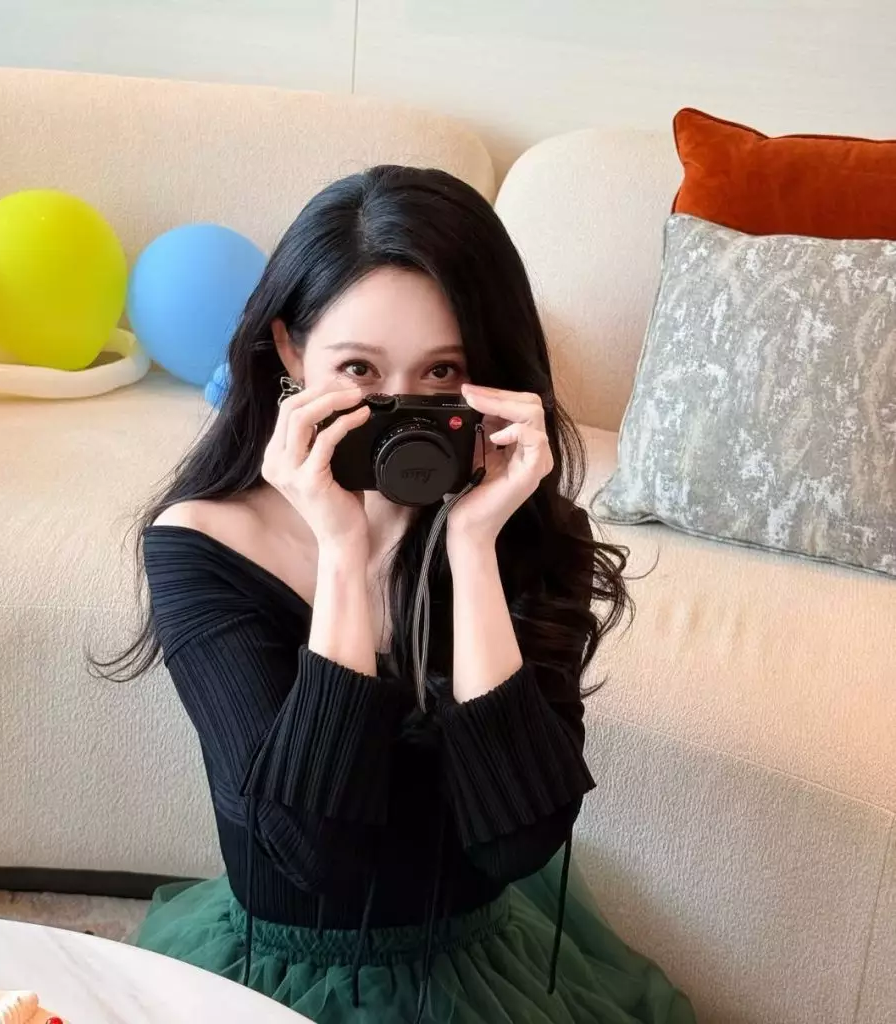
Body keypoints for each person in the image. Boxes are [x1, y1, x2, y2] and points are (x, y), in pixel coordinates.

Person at [100, 166, 695, 1024]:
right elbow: (309, 853)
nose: (402, 414)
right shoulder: (203, 545)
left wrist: (473, 548)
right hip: (285, 961)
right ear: (291, 353)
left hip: (473, 958)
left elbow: (519, 840)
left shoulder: (520, 534)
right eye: (359, 369)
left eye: (441, 372)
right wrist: (347, 555)